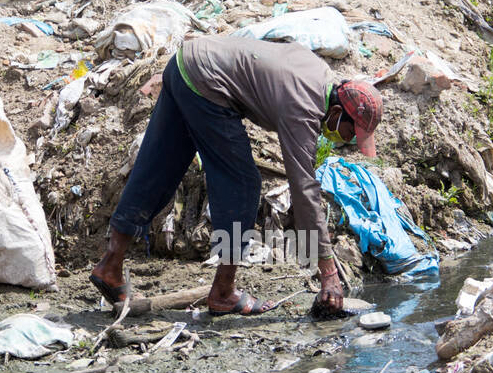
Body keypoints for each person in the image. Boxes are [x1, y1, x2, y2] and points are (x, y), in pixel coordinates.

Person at [89, 35, 383, 316]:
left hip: (184, 62)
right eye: (350, 132)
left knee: (157, 165)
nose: (347, 141)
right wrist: (328, 272)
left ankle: (110, 266)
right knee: (242, 183)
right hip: (208, 83)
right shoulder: (304, 109)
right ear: (337, 112)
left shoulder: (318, 72)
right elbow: (304, 189)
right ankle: (223, 293)